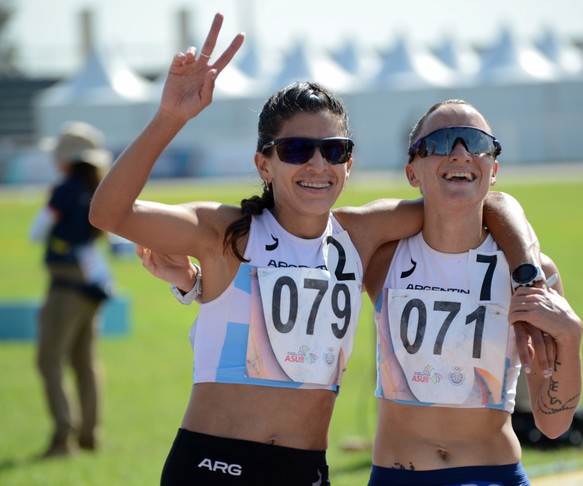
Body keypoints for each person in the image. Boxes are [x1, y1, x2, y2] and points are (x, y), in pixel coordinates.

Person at [89, 13, 542, 485]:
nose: (318, 164)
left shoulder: (360, 234)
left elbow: (486, 201)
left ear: (350, 163)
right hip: (213, 465)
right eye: (297, 150)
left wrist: (528, 274)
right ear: (263, 163)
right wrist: (170, 118)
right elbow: (110, 214)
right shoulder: (226, 232)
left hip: (305, 471)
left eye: (334, 150)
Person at [361, 100, 583, 485]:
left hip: (494, 474)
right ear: (412, 171)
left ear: (493, 169)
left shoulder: (534, 274)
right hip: (399, 475)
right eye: (442, 141)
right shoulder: (381, 257)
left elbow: (553, 424)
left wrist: (570, 337)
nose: (461, 153)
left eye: (477, 143)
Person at [29, 121, 114, 458]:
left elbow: (38, 231)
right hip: (93, 283)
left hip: (65, 284)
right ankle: (90, 434)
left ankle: (63, 437)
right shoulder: (98, 189)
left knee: (49, 358)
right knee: (85, 361)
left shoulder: (64, 189)